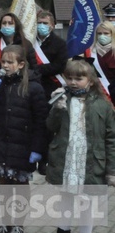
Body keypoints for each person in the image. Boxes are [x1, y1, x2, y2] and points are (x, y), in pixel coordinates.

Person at [47, 59, 115, 233]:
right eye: (69, 78)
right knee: (66, 200)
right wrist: (56, 109)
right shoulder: (62, 99)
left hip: (90, 161)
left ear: (90, 81)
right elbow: (50, 127)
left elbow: (111, 139)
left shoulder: (103, 105)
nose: (73, 82)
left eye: (79, 78)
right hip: (68, 159)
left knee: (87, 202)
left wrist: (112, 170)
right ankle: (63, 229)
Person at [0, 45, 48, 185]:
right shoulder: (0, 85)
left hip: (21, 147)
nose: (5, 66)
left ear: (21, 64)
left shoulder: (34, 88)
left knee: (18, 191)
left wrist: (37, 148)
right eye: (3, 62)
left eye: (10, 62)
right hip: (0, 144)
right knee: (1, 187)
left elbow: (40, 122)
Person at [32, 10, 68, 175]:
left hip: (50, 89)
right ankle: (32, 157)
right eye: (39, 22)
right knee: (33, 124)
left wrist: (38, 69)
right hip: (32, 88)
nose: (42, 26)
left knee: (48, 127)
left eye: (45, 23)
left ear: (52, 26)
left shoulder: (59, 43)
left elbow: (59, 66)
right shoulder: (30, 42)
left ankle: (45, 160)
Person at [92, 20, 115, 101]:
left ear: (112, 34)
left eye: (106, 33)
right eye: (99, 33)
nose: (102, 36)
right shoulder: (89, 52)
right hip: (97, 94)